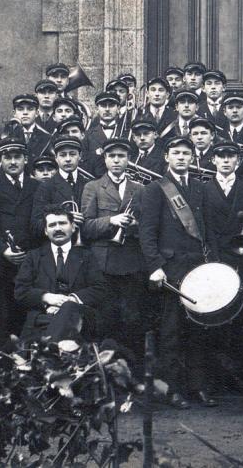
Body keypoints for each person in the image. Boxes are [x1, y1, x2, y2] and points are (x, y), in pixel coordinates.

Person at [138, 137, 217, 408]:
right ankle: (172, 389)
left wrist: (212, 265)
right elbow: (146, 233)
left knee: (200, 329)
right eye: (176, 152)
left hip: (198, 267)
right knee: (171, 331)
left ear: (193, 158)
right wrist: (155, 267)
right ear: (167, 157)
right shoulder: (155, 189)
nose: (181, 157)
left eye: (186, 153)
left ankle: (200, 386)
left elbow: (208, 230)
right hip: (170, 270)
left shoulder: (200, 188)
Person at [202, 141, 243, 389]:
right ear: (213, 160)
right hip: (215, 259)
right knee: (214, 318)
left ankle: (242, 377)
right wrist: (212, 256)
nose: (226, 160)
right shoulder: (203, 189)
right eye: (221, 156)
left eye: (231, 156)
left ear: (238, 160)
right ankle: (216, 378)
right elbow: (203, 226)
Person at [81, 138, 146, 356]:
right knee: (104, 317)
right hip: (103, 263)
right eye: (112, 156)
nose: (116, 160)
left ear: (129, 160)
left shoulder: (140, 189)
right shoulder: (93, 187)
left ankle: (131, 369)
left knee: (132, 317)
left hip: (131, 262)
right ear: (105, 159)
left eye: (121, 156)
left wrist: (135, 226)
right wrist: (112, 221)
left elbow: (147, 227)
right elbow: (86, 227)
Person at [15, 205, 107, 342]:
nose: (58, 228)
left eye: (62, 223)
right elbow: (21, 292)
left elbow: (100, 289)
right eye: (52, 225)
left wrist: (70, 301)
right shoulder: (33, 257)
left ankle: (49, 352)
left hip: (79, 321)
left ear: (73, 227)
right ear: (46, 231)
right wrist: (47, 297)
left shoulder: (87, 256)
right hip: (42, 319)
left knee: (69, 308)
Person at [0, 138, 40, 344]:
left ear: (25, 159)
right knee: (3, 319)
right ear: (1, 158)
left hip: (31, 261)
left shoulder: (36, 186)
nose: (13, 162)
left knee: (29, 319)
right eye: (7, 157)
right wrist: (4, 250)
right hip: (3, 264)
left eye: (17, 157)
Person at [30, 135, 89, 241]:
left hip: (86, 244)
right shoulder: (46, 187)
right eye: (62, 155)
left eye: (72, 154)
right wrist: (63, 218)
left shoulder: (89, 184)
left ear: (80, 156)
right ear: (56, 158)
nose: (67, 159)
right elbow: (35, 225)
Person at [11, 94, 52, 164]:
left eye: (30, 109)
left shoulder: (47, 137)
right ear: (14, 113)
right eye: (20, 109)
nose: (25, 113)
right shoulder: (9, 135)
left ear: (37, 113)